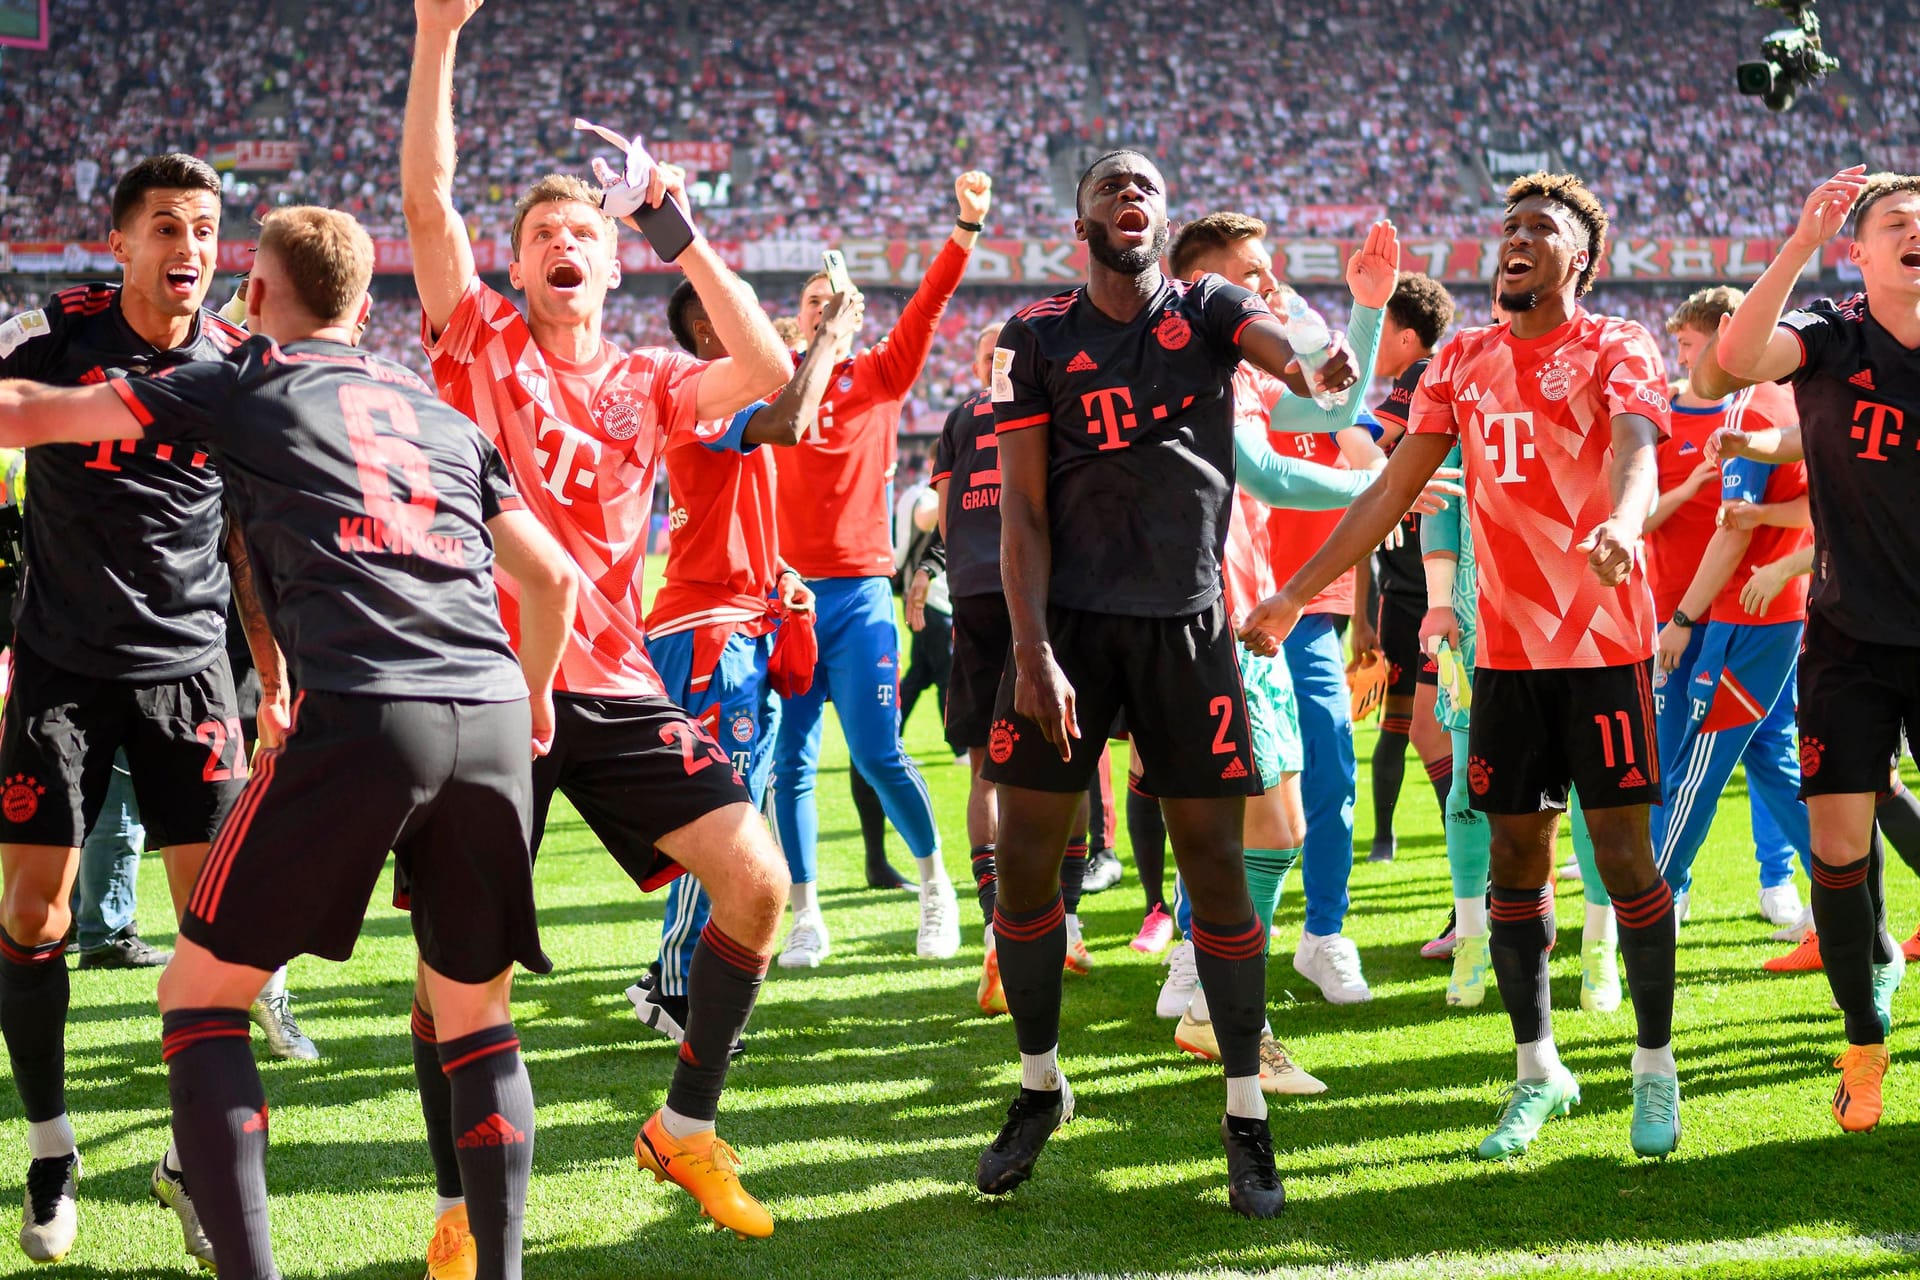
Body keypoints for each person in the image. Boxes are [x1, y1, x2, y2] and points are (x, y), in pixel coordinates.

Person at [0, 202, 576, 1280]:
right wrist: (537, 697)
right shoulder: (435, 405)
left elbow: (34, 416)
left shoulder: (244, 377)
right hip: (494, 708)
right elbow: (553, 579)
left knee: (198, 994)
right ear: (365, 304)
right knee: (475, 1013)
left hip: (365, 707)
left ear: (256, 299)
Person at [403, 0, 793, 1249]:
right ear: (516, 268)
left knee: (757, 880)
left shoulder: (648, 382)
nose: (564, 243)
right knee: (463, 974)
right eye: (542, 235)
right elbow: (426, 207)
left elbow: (773, 370)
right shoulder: (479, 343)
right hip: (479, 677)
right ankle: (462, 1212)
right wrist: (435, 34)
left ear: (611, 262)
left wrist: (677, 229)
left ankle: (683, 1126)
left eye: (585, 231)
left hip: (615, 681)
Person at [1244, 172, 1683, 1162]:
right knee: (1516, 868)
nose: (1517, 240)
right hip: (1506, 658)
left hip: (1603, 645)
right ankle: (1539, 1072)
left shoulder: (1618, 346)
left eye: (1543, 229)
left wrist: (1620, 520)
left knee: (1621, 861)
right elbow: (1388, 490)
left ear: (1586, 258)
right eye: (1509, 227)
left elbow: (1637, 450)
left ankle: (1654, 1066)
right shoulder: (1463, 361)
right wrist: (1295, 586)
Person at [975, 150, 1358, 1218]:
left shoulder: (1209, 306)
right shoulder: (1035, 336)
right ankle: (1040, 1084)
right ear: (1082, 220)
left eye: (1145, 186)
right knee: (1026, 874)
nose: (1130, 197)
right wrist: (1033, 651)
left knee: (1219, 874)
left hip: (1190, 628)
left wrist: (1312, 369)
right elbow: (1021, 514)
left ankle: (1246, 1115)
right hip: (1068, 633)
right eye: (1110, 188)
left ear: (1163, 216)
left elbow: (1282, 353)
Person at [0, 153, 285, 1268]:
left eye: (207, 229)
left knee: (218, 940)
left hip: (190, 673)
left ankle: (187, 1160)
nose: (190, 249)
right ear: (119, 242)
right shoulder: (55, 339)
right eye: (166, 226)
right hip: (62, 668)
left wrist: (276, 675)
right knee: (34, 916)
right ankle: (51, 1143)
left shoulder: (234, 365)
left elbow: (249, 537)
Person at [1154, 213, 1459, 1090]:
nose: (1272, 286)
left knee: (1265, 821)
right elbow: (1267, 472)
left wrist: (1363, 314)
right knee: (1261, 822)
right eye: (1255, 273)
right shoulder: (1194, 362)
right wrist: (1383, 485)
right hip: (1209, 618)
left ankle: (1216, 996)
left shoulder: (1231, 367)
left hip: (1243, 615)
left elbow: (1332, 405)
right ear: (1203, 285)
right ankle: (1215, 1007)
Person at [1712, 166, 1920, 1133]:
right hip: (1848, 643)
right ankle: (1864, 1041)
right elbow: (1736, 357)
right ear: (1863, 248)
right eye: (1898, 222)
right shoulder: (1834, 337)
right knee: (1840, 850)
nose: (1917, 233)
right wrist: (1796, 245)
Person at [769, 173, 994, 967]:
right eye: (810, 302)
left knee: (877, 752)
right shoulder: (774, 380)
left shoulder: (880, 376)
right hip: (783, 600)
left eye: (836, 301)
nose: (822, 311)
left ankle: (937, 890)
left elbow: (929, 303)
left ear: (854, 313)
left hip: (861, 594)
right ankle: (805, 914)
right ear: (791, 318)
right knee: (788, 761)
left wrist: (965, 228)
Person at [637, 281, 860, 1034]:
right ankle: (675, 985)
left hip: (735, 624)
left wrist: (782, 576)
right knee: (725, 819)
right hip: (709, 635)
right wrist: (829, 337)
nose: (763, 329)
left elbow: (738, 519)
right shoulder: (703, 399)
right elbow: (795, 421)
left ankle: (671, 971)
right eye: (747, 316)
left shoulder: (719, 408)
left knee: (740, 813)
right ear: (710, 328)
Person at [1648, 291, 1814, 932]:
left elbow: (1732, 533)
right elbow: (1814, 508)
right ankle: (1851, 910)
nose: (1686, 359)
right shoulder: (1790, 404)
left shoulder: (1752, 410)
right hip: (1773, 610)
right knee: (1775, 763)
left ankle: (1653, 902)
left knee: (1695, 768)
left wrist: (1683, 620)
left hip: (1744, 618)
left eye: (1693, 344)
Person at [1260, 300, 1388, 1003]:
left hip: (1311, 612)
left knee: (1332, 767)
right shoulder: (1235, 386)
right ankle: (1198, 936)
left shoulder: (1331, 397)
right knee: (1221, 771)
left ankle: (1324, 934)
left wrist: (1392, 481)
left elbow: (1368, 461)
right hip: (1232, 599)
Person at [1356, 274, 1458, 868]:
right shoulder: (1414, 379)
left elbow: (1374, 437)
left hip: (1434, 588)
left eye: (1383, 330)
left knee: (1431, 728)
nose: (1375, 344)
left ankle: (1474, 858)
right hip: (1403, 586)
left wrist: (1331, 414)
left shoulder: (1423, 377)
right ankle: (1386, 839)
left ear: (1408, 337)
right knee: (1405, 725)